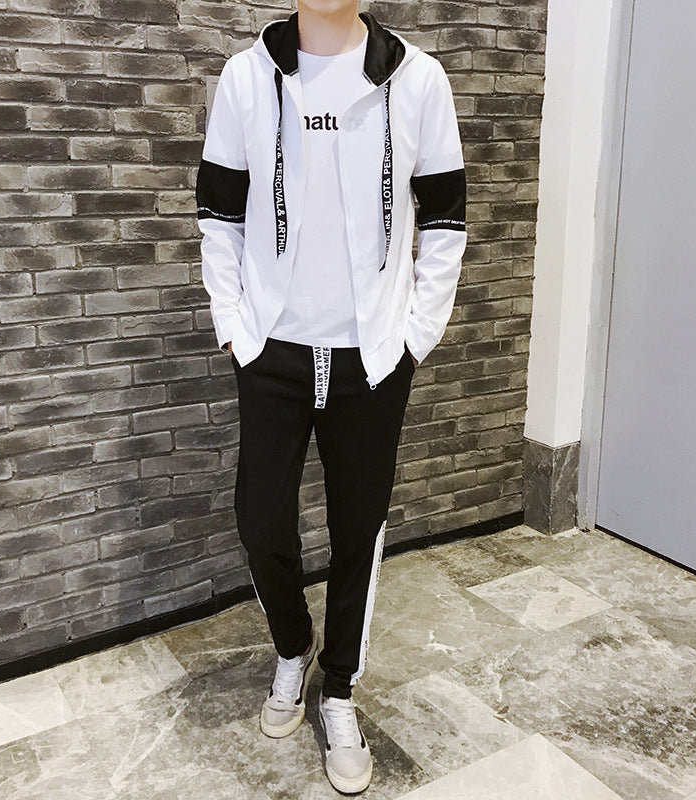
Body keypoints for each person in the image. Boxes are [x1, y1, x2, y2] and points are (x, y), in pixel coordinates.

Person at [196, 0, 466, 792]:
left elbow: (445, 219)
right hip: (272, 351)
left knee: (359, 533)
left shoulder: (418, 80)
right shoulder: (247, 78)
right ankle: (293, 646)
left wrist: (415, 335)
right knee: (260, 521)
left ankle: (339, 689)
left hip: (372, 358)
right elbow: (218, 214)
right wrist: (235, 327)